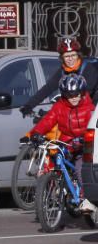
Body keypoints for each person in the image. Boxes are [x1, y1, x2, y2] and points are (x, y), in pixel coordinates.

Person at [22, 73, 97, 215]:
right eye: (69, 95)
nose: (73, 98)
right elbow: (48, 120)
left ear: (82, 93)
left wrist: (84, 139)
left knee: (80, 168)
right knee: (53, 161)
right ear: (64, 95)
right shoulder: (59, 106)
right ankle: (53, 189)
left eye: (76, 94)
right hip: (67, 143)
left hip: (84, 146)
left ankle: (86, 198)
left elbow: (92, 127)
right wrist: (35, 134)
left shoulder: (90, 108)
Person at [21, 37, 98, 116]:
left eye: (73, 55)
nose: (70, 59)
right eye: (67, 56)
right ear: (62, 58)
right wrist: (29, 105)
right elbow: (48, 88)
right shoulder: (63, 71)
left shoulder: (88, 68)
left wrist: (58, 111)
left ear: (78, 55)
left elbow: (84, 95)